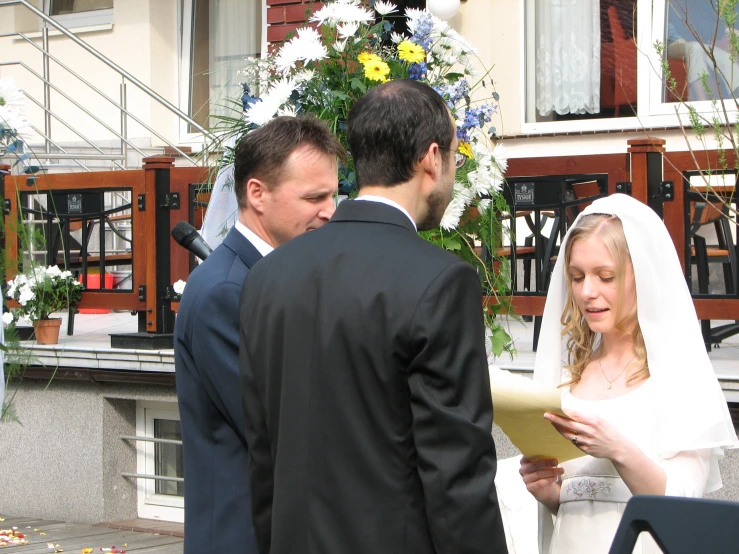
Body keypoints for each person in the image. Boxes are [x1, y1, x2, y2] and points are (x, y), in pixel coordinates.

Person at [239, 79, 508, 554]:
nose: (452, 173)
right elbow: (456, 474)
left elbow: (264, 457)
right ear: (430, 158)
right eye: (454, 157)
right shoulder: (441, 281)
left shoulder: (269, 275)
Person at [519, 193, 738, 553]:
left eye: (605, 276)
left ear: (643, 276)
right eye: (577, 277)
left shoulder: (677, 377)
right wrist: (551, 494)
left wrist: (619, 450)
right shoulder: (570, 375)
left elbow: (684, 504)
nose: (587, 292)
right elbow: (580, 499)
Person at [173, 115, 345, 554]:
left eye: (334, 194)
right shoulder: (227, 291)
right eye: (314, 197)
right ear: (257, 193)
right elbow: (277, 426)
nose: (330, 210)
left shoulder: (272, 275)